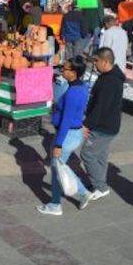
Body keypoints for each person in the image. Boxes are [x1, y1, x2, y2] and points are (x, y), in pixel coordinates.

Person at [37, 56, 93, 215]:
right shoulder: (82, 87)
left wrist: (58, 144)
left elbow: (66, 120)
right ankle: (81, 193)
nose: (63, 71)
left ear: (74, 73)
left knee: (58, 169)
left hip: (67, 135)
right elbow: (78, 112)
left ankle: (56, 204)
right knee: (58, 167)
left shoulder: (72, 93)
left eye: (66, 69)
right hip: (73, 132)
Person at [80, 47, 125, 205]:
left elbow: (101, 107)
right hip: (108, 124)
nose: (95, 64)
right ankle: (98, 183)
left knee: (87, 154)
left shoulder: (110, 81)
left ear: (106, 62)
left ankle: (100, 186)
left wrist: (87, 124)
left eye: (96, 61)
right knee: (100, 156)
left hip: (103, 126)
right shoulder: (108, 76)